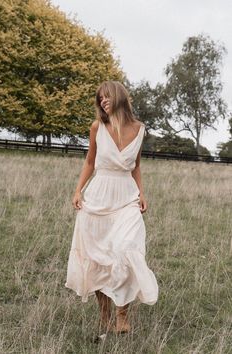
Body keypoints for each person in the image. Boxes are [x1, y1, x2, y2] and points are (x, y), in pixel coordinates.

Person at [65, 80, 158, 336]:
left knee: (126, 249)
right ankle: (104, 314)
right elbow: (89, 161)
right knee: (98, 258)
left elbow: (136, 165)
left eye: (107, 96)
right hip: (98, 197)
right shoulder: (97, 127)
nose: (103, 101)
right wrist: (78, 190)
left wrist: (141, 193)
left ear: (119, 97)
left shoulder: (139, 129)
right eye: (100, 98)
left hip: (126, 196)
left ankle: (122, 312)